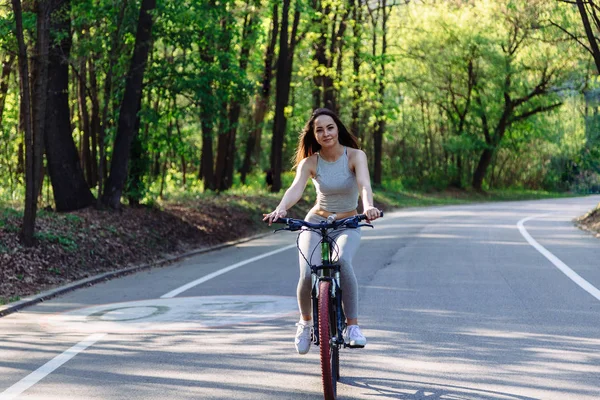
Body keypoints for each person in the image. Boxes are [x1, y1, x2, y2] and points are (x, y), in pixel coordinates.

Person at [263, 108, 381, 355]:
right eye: (319, 129)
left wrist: (368, 206)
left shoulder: (355, 156)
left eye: (330, 127)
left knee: (342, 261)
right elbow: (295, 188)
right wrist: (281, 209)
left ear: (338, 129)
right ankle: (305, 324)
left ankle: (352, 328)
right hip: (316, 220)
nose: (326, 133)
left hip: (348, 222)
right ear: (314, 135)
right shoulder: (310, 162)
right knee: (307, 272)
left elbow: (364, 185)